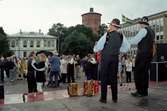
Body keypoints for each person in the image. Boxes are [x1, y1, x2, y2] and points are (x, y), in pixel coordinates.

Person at [129, 17, 155, 97]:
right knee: (145, 72)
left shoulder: (143, 30)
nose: (139, 25)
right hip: (149, 54)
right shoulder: (152, 31)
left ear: (142, 24)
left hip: (142, 54)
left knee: (138, 71)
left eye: (140, 24)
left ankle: (139, 91)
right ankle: (144, 91)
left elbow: (134, 41)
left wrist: (126, 41)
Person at [99, 18, 123, 103]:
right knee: (113, 78)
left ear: (113, 25)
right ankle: (115, 98)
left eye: (110, 24)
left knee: (104, 78)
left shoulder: (107, 34)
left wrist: (96, 49)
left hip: (106, 57)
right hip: (115, 58)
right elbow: (124, 47)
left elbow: (99, 46)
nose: (109, 26)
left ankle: (103, 98)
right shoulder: (121, 35)